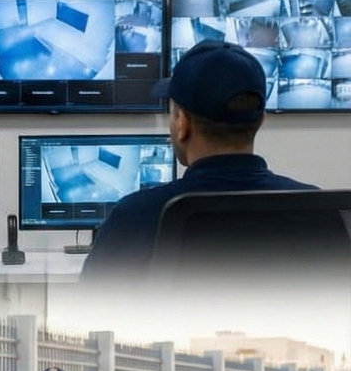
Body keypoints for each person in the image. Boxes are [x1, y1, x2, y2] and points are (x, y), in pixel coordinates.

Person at [82, 40, 316, 279]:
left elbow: (88, 312)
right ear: (260, 120)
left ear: (182, 124)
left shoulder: (134, 217)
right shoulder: (317, 211)